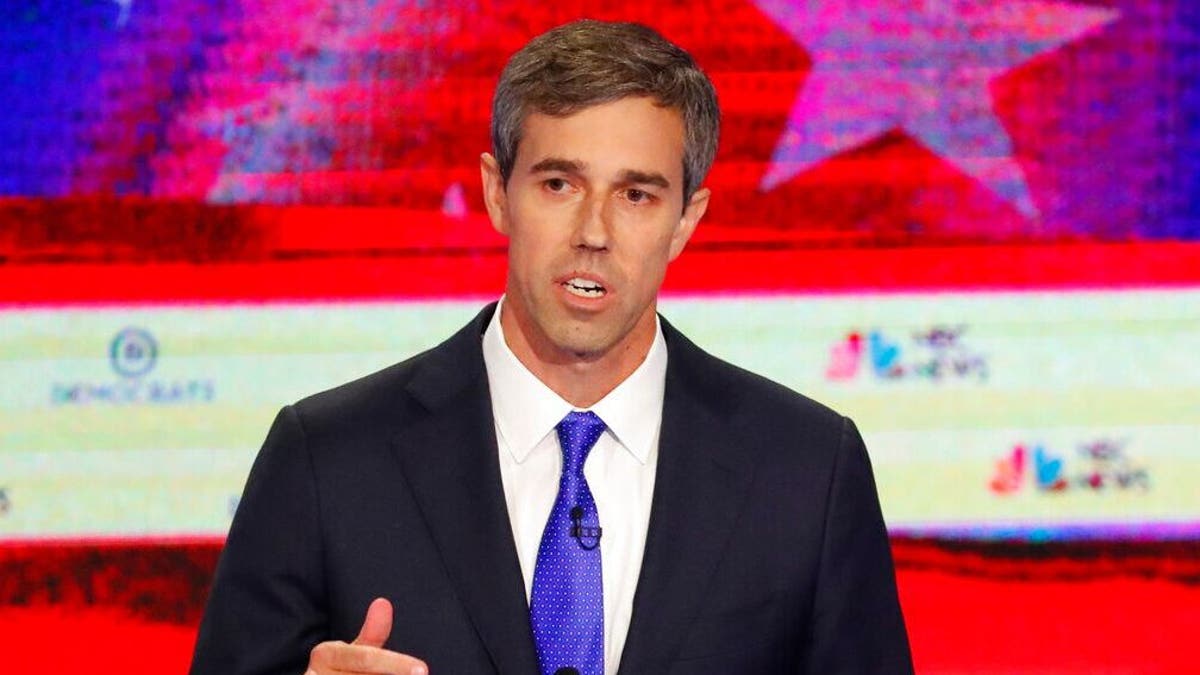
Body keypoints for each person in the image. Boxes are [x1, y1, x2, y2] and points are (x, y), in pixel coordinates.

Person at [191, 19, 913, 675]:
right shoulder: (325, 458)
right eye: (559, 183)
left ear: (687, 218)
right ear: (497, 192)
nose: (593, 232)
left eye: (637, 195)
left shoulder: (807, 469)